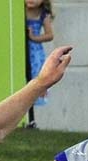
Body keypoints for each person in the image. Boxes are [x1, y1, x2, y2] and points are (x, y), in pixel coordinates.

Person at [24, 0, 55, 128]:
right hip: (20, 49)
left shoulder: (43, 14)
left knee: (34, 79)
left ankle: (31, 118)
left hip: (34, 51)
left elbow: (50, 35)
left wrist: (34, 38)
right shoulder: (18, 11)